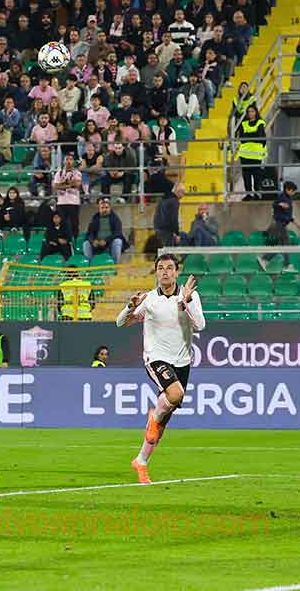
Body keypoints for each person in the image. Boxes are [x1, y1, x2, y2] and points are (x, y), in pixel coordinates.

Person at [117, 253, 205, 484]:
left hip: (182, 361)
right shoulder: (149, 299)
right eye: (161, 268)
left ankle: (141, 461)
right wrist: (130, 306)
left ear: (176, 272)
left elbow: (200, 325)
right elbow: (121, 322)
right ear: (156, 273)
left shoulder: (189, 295)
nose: (165, 272)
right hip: (155, 358)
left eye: (169, 268)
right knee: (174, 395)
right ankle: (153, 417)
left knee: (163, 421)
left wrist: (187, 302)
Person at [83, 197, 128, 263]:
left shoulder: (115, 219)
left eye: (106, 208)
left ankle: (115, 265)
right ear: (99, 209)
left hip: (110, 243)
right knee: (86, 243)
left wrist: (106, 241)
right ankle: (90, 265)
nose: (104, 210)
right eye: (102, 208)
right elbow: (89, 233)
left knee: (118, 241)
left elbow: (118, 233)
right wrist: (93, 241)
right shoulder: (95, 218)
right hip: (97, 244)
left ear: (110, 208)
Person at [237, 104, 267, 199]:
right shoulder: (243, 123)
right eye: (249, 112)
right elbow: (242, 138)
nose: (250, 113)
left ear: (256, 112)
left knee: (256, 175)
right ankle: (248, 194)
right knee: (246, 176)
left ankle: (257, 194)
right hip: (244, 155)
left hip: (256, 155)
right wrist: (253, 135)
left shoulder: (260, 123)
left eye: (252, 111)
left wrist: (248, 136)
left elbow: (260, 137)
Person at [53, 152, 83, 237]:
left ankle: (75, 240)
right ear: (63, 161)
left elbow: (77, 184)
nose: (68, 161)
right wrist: (70, 185)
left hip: (74, 202)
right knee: (62, 224)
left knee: (74, 224)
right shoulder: (59, 173)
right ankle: (62, 239)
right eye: (67, 159)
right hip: (61, 202)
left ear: (73, 161)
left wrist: (62, 185)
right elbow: (55, 186)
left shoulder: (77, 173)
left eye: (70, 159)